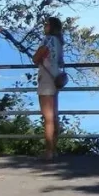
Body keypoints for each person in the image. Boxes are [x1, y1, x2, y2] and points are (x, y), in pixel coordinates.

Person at [32, 17, 65, 162]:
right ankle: (54, 149)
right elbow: (60, 61)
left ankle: (49, 152)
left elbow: (36, 58)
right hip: (55, 79)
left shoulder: (48, 40)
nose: (44, 26)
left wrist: (37, 57)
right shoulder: (59, 42)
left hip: (46, 80)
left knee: (48, 118)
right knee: (54, 116)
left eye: (46, 24)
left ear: (51, 26)